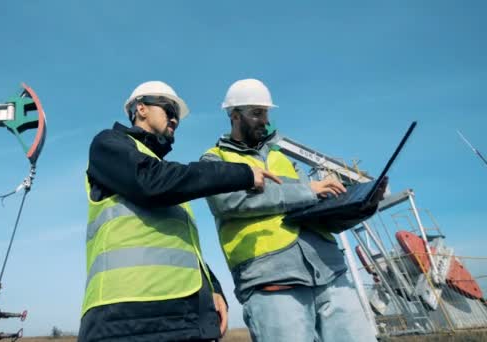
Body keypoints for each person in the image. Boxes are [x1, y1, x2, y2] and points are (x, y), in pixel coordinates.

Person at [78, 80, 281, 342]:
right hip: (125, 315)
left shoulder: (168, 175)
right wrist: (241, 173)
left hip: (183, 315)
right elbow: (150, 183)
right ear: (141, 108)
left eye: (178, 115)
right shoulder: (109, 144)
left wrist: (212, 288)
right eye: (169, 109)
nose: (175, 118)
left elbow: (182, 244)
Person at [200, 79, 387, 342]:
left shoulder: (281, 159)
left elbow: (319, 216)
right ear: (234, 116)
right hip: (272, 281)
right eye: (256, 113)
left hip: (330, 273)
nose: (265, 120)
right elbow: (228, 201)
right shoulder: (214, 159)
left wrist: (362, 206)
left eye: (266, 113)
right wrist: (308, 190)